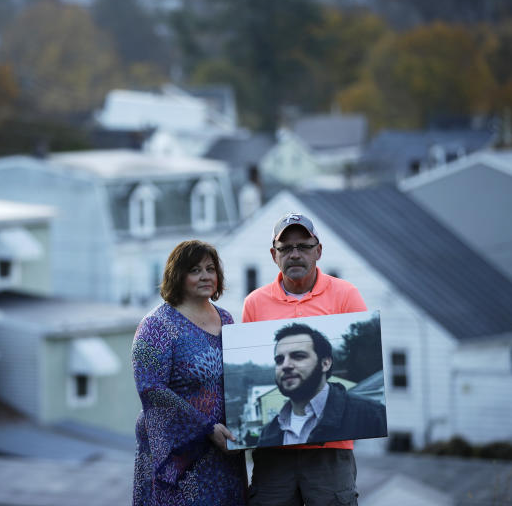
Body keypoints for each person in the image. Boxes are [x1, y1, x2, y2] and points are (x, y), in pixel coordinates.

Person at [242, 213, 368, 506]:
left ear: (318, 250)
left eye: (303, 246)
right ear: (274, 255)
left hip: (331, 448)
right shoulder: (255, 303)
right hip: (274, 452)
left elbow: (361, 366)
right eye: (285, 248)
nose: (294, 254)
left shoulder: (346, 295)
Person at [133, 239, 247, 506]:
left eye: (210, 268)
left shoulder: (228, 319)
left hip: (225, 450)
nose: (206, 276)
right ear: (178, 276)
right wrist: (206, 428)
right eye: (195, 270)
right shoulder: (156, 326)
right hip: (180, 456)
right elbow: (151, 389)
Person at [255, 323, 386, 448]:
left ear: (325, 363)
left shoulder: (372, 416)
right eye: (279, 360)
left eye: (298, 356)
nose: (285, 365)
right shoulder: (268, 434)